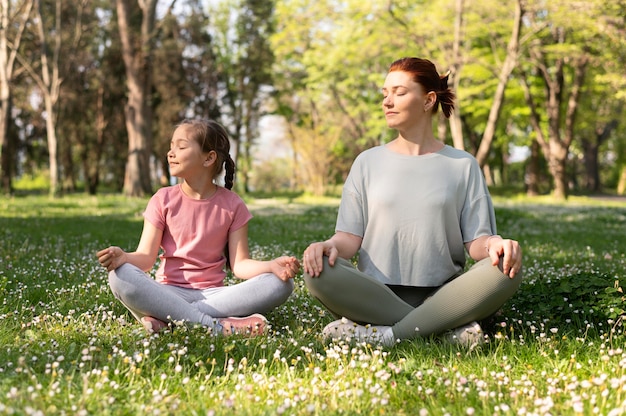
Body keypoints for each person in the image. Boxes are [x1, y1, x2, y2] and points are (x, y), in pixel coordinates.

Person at [302, 57, 523, 347]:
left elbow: (477, 242)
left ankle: (388, 335)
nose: (387, 102)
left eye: (399, 92)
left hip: (445, 294)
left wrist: (495, 244)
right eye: (385, 94)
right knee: (317, 272)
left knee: (506, 267)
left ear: (429, 100)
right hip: (374, 294)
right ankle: (442, 329)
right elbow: (348, 238)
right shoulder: (367, 162)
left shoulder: (462, 165)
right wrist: (328, 246)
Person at [97, 119, 300, 336]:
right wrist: (124, 258)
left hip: (216, 297)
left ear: (209, 157)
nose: (170, 153)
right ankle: (217, 327)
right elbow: (146, 258)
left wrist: (272, 266)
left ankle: (170, 319)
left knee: (281, 284)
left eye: (181, 147)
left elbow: (240, 265)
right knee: (119, 276)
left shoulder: (233, 205)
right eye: (171, 146)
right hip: (168, 292)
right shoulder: (162, 199)